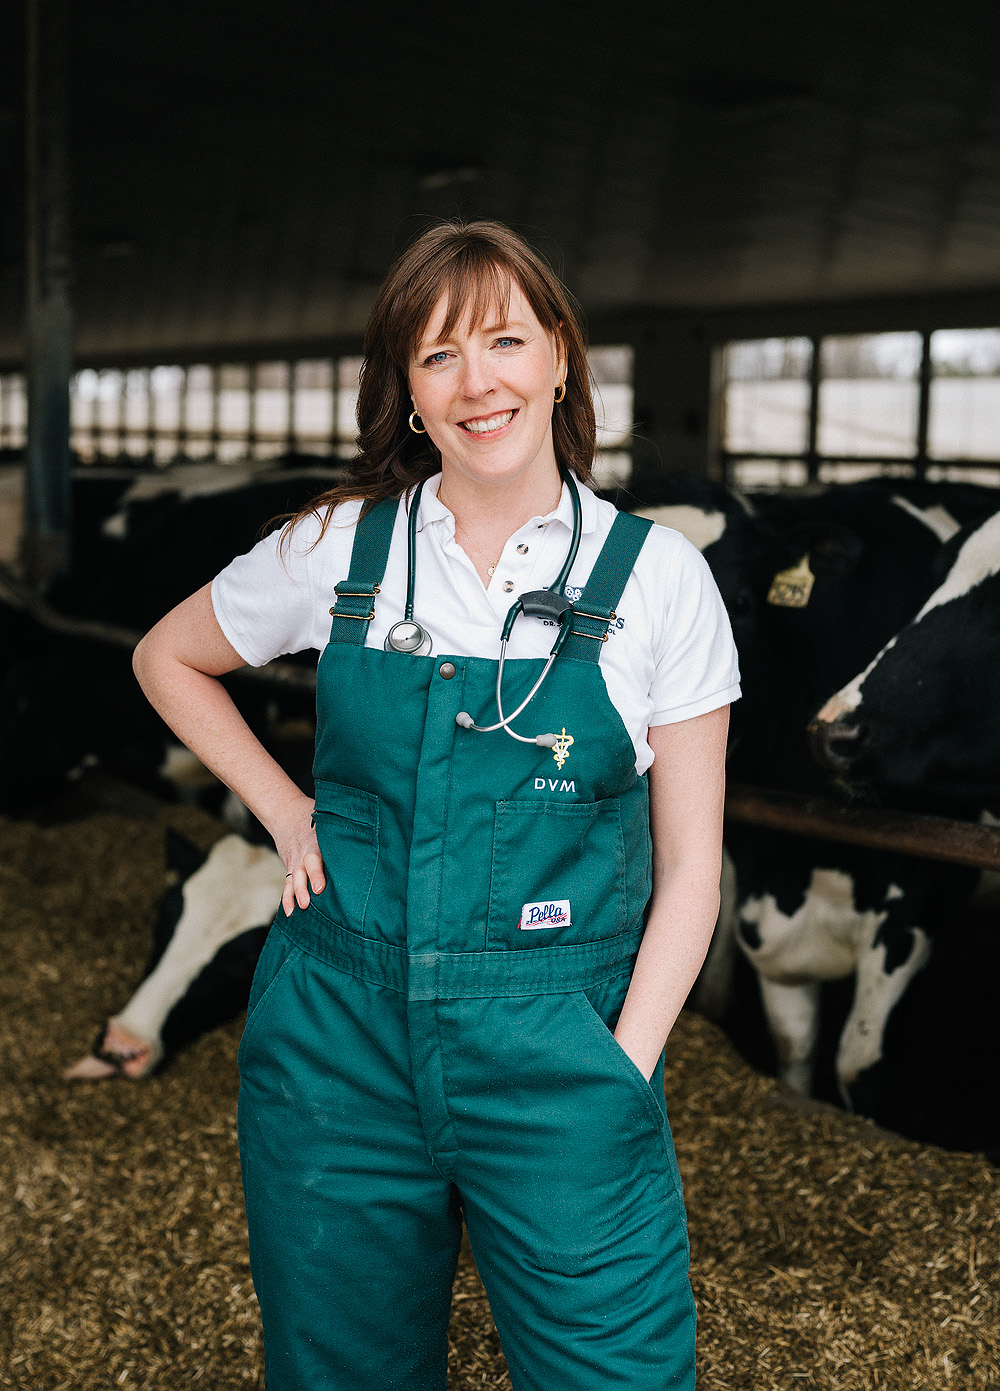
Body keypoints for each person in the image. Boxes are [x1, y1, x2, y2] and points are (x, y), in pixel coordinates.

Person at [133, 219, 739, 1391]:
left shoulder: (657, 577)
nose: (479, 382)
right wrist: (282, 804)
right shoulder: (338, 546)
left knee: (615, 1371)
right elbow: (168, 657)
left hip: (555, 1043)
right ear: (407, 392)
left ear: (562, 358)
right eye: (438, 355)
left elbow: (693, 873)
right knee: (340, 1368)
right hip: (335, 1039)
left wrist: (624, 1066)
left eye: (506, 340)